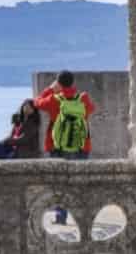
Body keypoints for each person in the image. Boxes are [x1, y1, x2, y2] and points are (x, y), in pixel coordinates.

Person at [33, 71, 95, 226]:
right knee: (80, 182)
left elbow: (37, 102)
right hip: (82, 146)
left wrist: (50, 89)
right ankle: (84, 218)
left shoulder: (54, 99)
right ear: (73, 82)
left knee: (60, 183)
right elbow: (91, 109)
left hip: (58, 146)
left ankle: (61, 218)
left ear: (59, 83)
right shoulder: (83, 98)